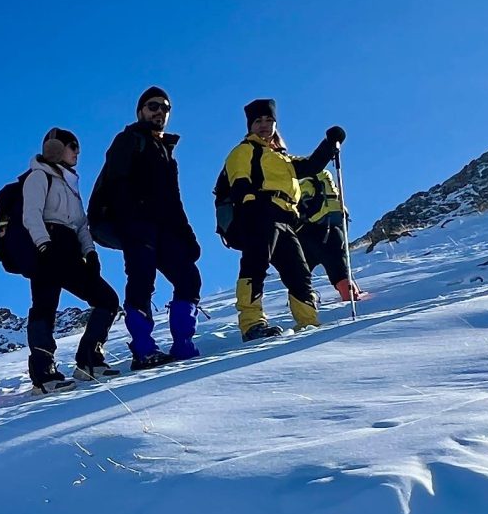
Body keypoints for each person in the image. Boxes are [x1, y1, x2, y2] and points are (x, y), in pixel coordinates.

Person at [89, 87, 205, 369]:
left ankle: (183, 344)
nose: (160, 112)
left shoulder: (166, 150)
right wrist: (132, 222)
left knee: (189, 278)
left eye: (165, 108)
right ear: (140, 111)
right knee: (142, 280)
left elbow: (174, 200)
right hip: (136, 225)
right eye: (153, 106)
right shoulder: (128, 139)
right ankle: (143, 350)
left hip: (164, 227)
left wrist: (187, 235)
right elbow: (116, 182)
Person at [20, 128, 123, 393]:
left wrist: (90, 252)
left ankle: (89, 360)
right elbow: (31, 214)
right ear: (56, 147)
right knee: (44, 307)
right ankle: (44, 375)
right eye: (72, 145)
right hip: (47, 244)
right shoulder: (39, 176)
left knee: (107, 299)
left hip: (69, 248)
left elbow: (80, 225)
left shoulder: (69, 183)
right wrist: (44, 245)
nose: (77, 151)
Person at [218, 98, 321, 341]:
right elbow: (239, 181)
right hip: (259, 212)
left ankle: (308, 322)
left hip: (285, 217)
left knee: (299, 271)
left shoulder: (282, 158)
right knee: (256, 264)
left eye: (269, 120)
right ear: (250, 125)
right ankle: (252, 323)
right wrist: (250, 208)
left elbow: (311, 165)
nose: (264, 125)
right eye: (258, 121)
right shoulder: (244, 150)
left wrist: (331, 142)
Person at [291, 125, 365, 304]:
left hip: (304, 232)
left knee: (298, 275)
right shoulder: (319, 175)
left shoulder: (292, 177)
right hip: (329, 227)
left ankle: (302, 308)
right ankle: (353, 299)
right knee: (338, 268)